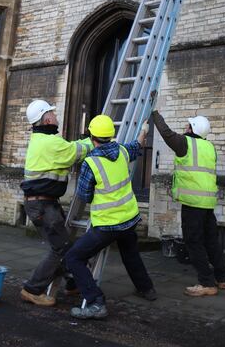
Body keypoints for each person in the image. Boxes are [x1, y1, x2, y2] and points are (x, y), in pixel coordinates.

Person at [65, 114, 157, 320]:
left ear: (92, 136)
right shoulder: (123, 151)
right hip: (129, 219)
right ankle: (147, 289)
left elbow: (84, 195)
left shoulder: (91, 163)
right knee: (131, 254)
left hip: (106, 225)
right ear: (111, 135)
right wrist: (144, 130)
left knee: (74, 257)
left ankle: (96, 302)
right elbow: (137, 145)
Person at [20, 99, 94, 307]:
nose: (56, 116)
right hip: (43, 205)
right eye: (53, 113)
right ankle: (32, 289)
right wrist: (94, 139)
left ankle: (73, 283)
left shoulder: (43, 140)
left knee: (65, 247)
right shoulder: (50, 143)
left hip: (45, 203)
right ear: (47, 118)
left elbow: (67, 149)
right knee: (60, 249)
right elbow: (76, 151)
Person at [152, 109, 225, 297]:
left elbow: (167, 134)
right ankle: (221, 278)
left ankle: (207, 283)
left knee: (194, 242)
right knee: (211, 241)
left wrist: (155, 114)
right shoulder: (209, 147)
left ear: (193, 129)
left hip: (193, 203)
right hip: (207, 202)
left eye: (188, 125)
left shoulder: (186, 143)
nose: (185, 127)